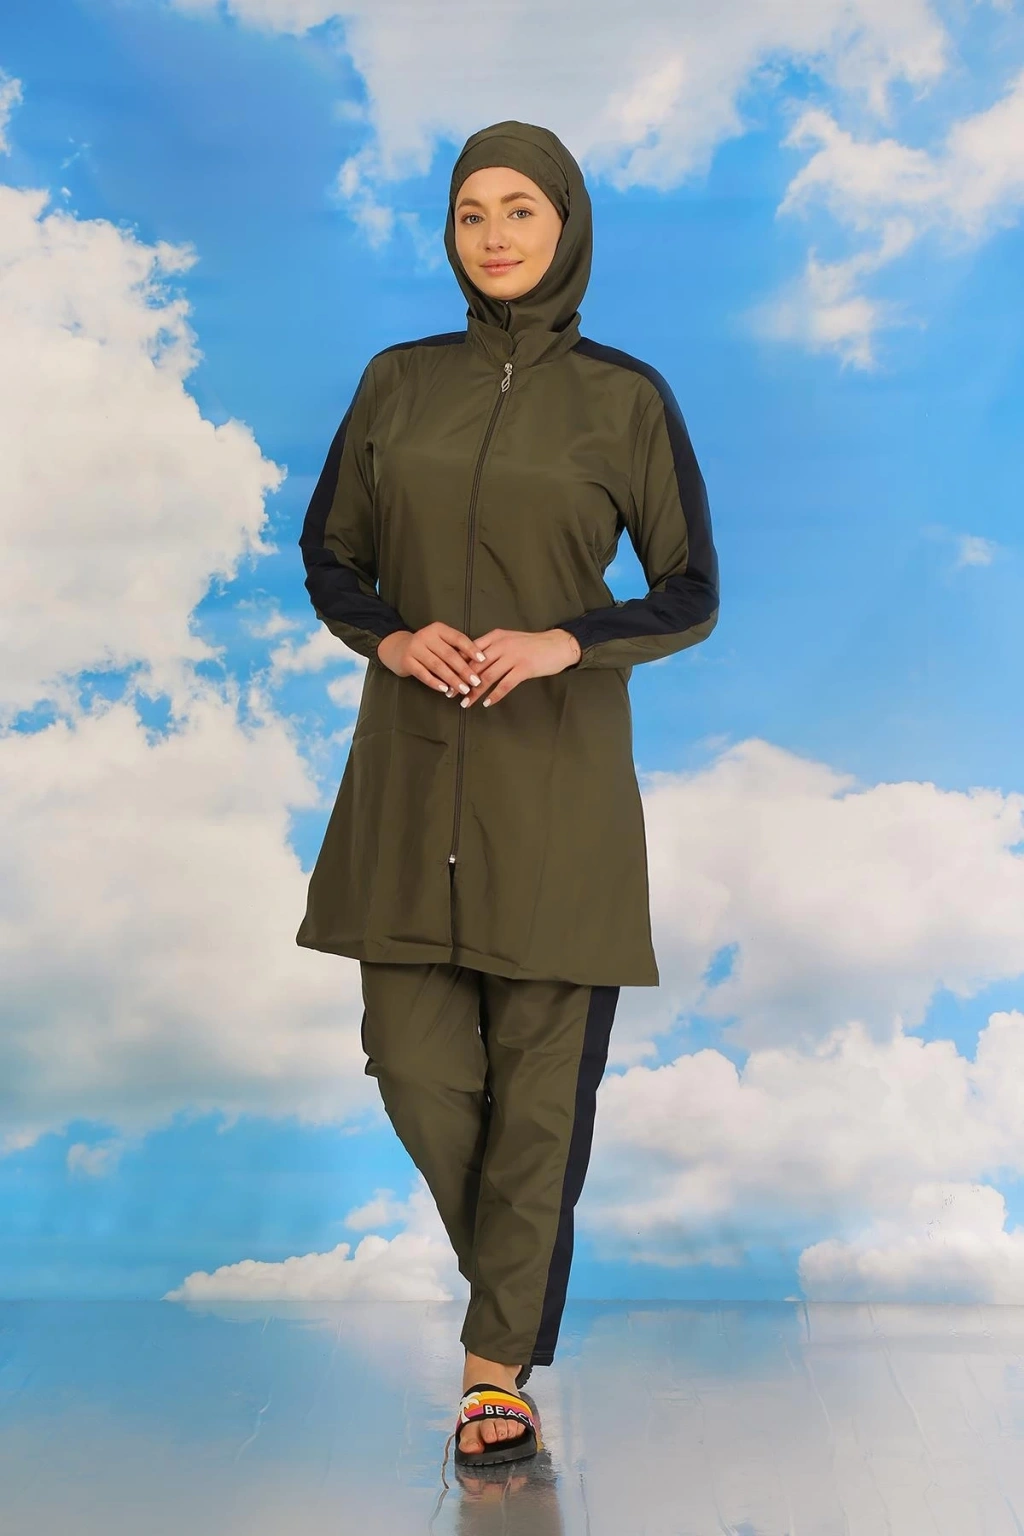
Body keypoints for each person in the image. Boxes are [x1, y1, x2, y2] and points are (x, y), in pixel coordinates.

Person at [296, 119, 719, 1467]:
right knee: (416, 1066)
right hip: (410, 779)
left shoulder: (626, 399)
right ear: (450, 232)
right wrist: (388, 636)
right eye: (472, 212)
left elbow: (690, 591)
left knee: (541, 1099)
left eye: (521, 209)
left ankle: (496, 1374)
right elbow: (329, 553)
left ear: (567, 224)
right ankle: (517, 1298)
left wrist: (565, 643)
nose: (494, 236)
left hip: (558, 788)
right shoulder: (397, 382)